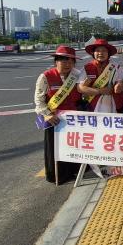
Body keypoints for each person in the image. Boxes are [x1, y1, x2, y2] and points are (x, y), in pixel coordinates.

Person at [34, 46, 83, 184]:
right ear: (56, 61)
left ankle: (74, 171)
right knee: (55, 148)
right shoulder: (45, 76)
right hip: (53, 118)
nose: (67, 64)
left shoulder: (77, 75)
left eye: (70, 61)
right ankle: (58, 175)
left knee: (74, 145)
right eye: (63, 61)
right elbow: (39, 100)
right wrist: (47, 114)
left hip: (73, 118)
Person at [78, 39, 123, 114]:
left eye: (104, 51)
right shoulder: (86, 68)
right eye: (98, 50)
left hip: (114, 105)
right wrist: (100, 91)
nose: (100, 53)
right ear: (93, 53)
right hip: (92, 106)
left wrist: (119, 86)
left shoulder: (116, 67)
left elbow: (120, 81)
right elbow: (80, 88)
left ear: (108, 53)